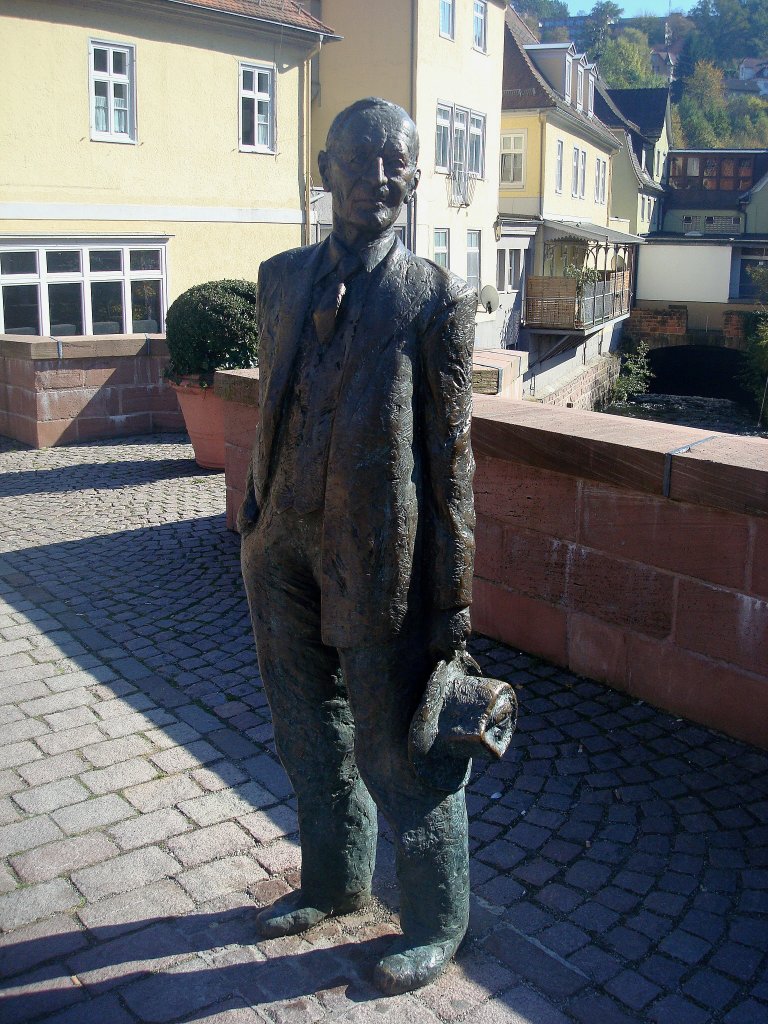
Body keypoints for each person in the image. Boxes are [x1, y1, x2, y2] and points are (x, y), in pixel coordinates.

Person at [239, 97, 476, 994]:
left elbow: (451, 464)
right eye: (358, 160)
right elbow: (275, 397)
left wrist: (453, 598)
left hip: (379, 553)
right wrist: (257, 516)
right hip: (280, 543)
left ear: (414, 177)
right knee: (307, 729)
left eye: (394, 162)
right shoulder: (279, 277)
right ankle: (334, 882)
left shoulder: (432, 297)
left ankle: (436, 917)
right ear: (327, 169)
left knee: (397, 745)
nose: (377, 178)